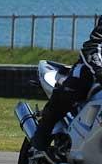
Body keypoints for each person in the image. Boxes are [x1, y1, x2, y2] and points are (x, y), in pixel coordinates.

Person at [31, 16, 102, 152]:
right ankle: (41, 137)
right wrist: (99, 71)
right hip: (92, 69)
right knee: (72, 88)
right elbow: (94, 47)